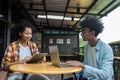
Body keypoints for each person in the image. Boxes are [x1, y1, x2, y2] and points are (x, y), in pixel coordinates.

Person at [64, 16, 114, 80]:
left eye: (83, 32)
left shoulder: (106, 49)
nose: (81, 34)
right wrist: (74, 66)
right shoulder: (87, 47)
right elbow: (85, 66)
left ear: (92, 33)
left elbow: (105, 75)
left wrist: (82, 65)